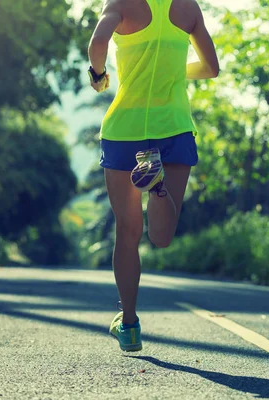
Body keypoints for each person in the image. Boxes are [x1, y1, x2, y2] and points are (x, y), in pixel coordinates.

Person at [87, 0, 219, 352]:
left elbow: (98, 43)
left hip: (124, 132)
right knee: (161, 236)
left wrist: (99, 75)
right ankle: (157, 187)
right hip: (173, 129)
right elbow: (211, 68)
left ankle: (128, 323)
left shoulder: (120, 4)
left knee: (127, 233)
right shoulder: (187, 8)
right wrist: (174, 70)